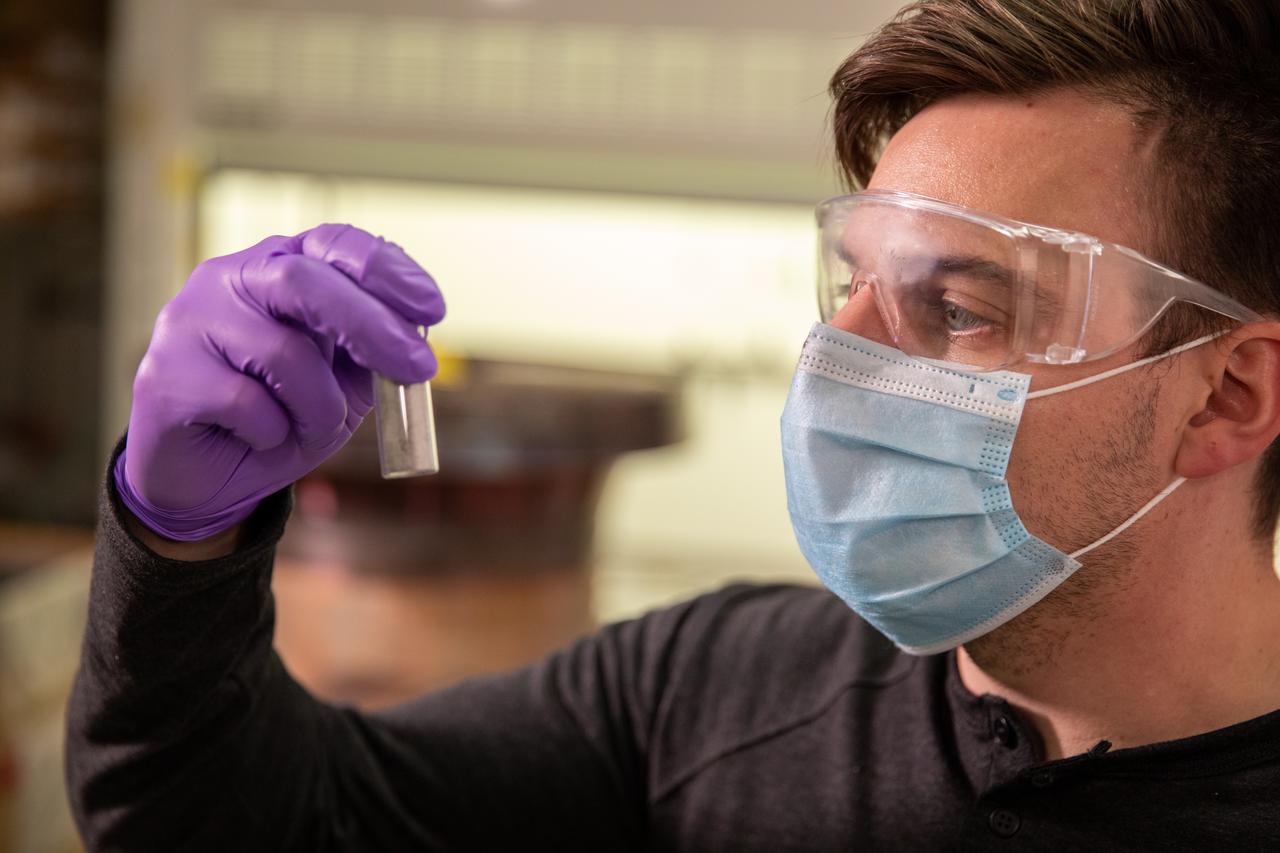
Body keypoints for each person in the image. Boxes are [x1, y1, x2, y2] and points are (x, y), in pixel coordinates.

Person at [66, 1, 1280, 849]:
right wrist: (181, 540)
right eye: (850, 278)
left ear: (1226, 394)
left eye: (955, 306)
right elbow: (235, 822)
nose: (838, 349)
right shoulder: (716, 692)